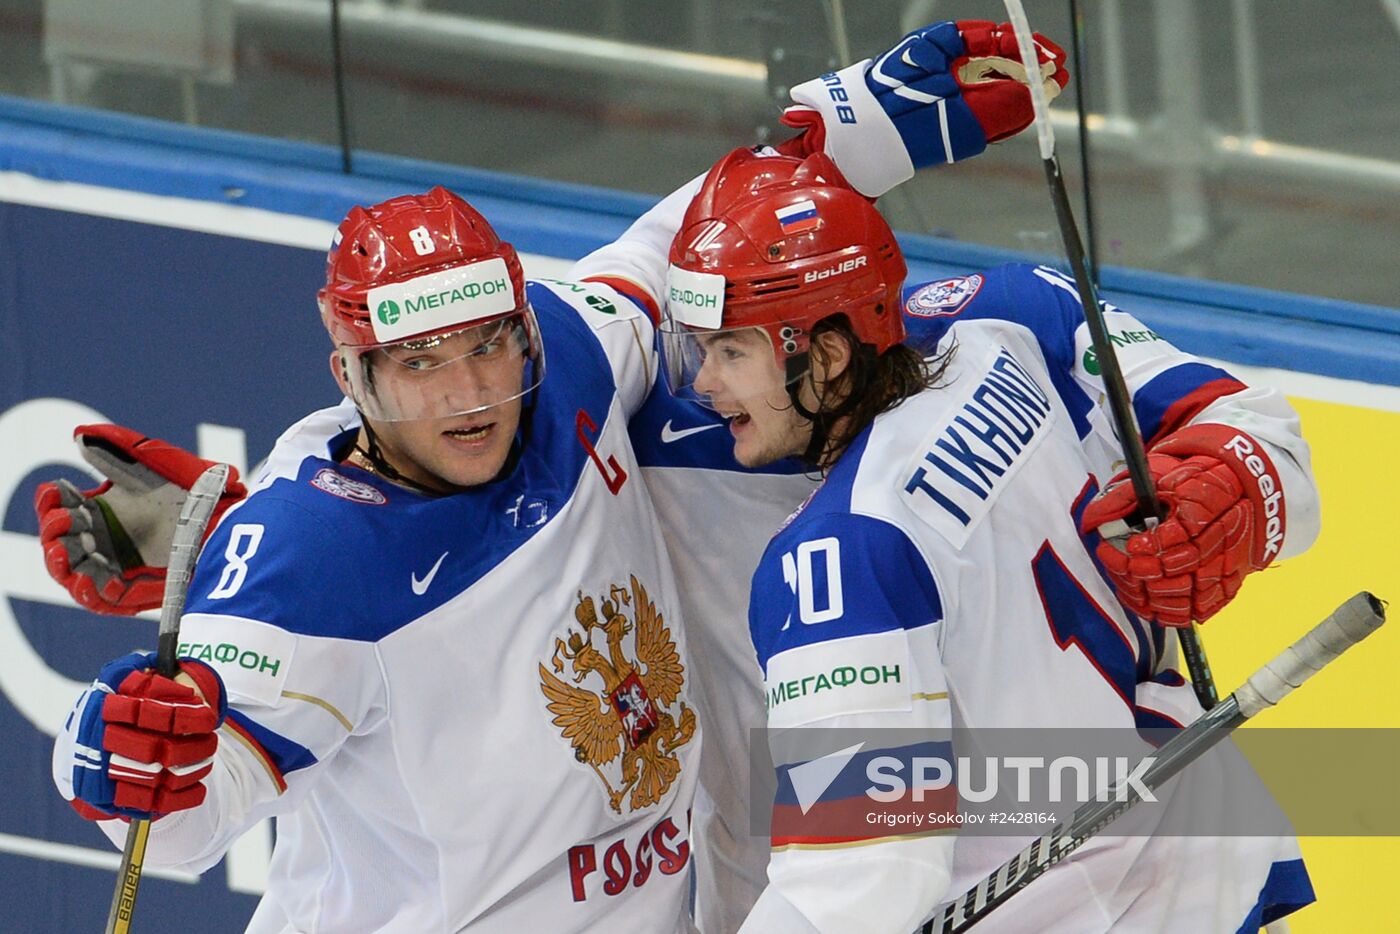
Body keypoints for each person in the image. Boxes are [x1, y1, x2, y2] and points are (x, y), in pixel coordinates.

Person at [39, 22, 1071, 933]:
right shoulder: (303, 561)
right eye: (418, 367)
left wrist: (854, 131)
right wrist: (123, 764)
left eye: (489, 345)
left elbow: (676, 246)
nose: (468, 394)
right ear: (350, 376)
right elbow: (181, 832)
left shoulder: (573, 364)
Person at [658, 148, 1321, 932]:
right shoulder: (1016, 312)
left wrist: (1215, 508)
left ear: (829, 354)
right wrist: (1233, 490)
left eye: (731, 352)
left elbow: (864, 869)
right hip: (1209, 863)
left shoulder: (835, 558)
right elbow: (1262, 435)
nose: (704, 384)